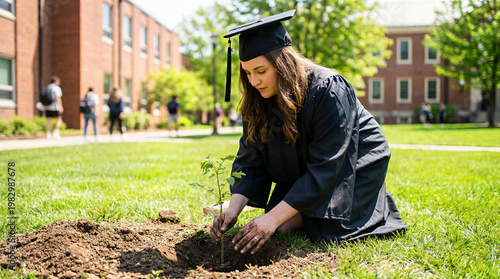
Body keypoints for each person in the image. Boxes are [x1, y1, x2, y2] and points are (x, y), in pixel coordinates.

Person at [211, 10, 408, 255]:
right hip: (308, 169)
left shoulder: (328, 88)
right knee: (279, 223)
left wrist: (273, 219)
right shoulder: (259, 98)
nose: (253, 81)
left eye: (261, 71)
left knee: (283, 224)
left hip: (352, 167)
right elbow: (250, 158)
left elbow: (329, 164)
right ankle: (301, 211)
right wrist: (233, 209)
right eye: (247, 73)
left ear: (282, 64)